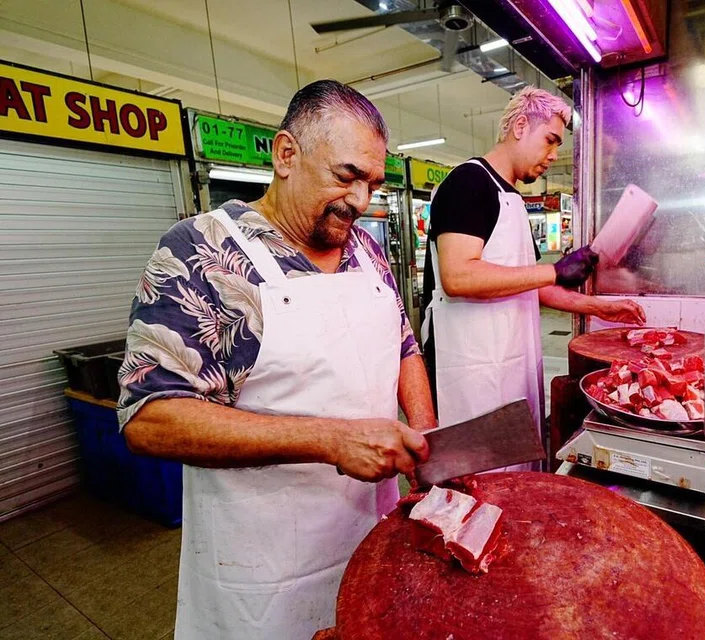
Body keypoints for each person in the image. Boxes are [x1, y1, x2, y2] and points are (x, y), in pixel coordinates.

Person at [117, 80, 434, 639]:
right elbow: (148, 418)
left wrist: (430, 439)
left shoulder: (367, 249)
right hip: (264, 566)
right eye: (346, 177)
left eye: (373, 184)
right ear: (286, 154)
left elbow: (405, 344)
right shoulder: (201, 251)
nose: (361, 201)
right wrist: (331, 440)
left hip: (373, 533)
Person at [421, 87, 646, 453]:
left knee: (513, 463)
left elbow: (526, 282)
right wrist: (554, 271)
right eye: (550, 140)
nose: (554, 154)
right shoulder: (467, 183)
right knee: (479, 470)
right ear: (521, 126)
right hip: (468, 364)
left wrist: (602, 308)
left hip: (509, 356)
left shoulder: (511, 198)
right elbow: (458, 276)